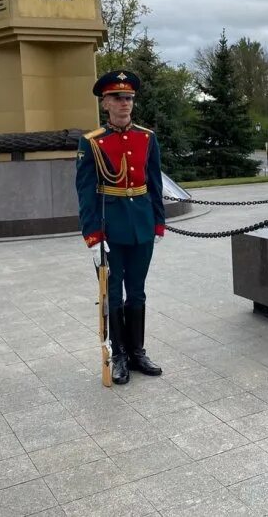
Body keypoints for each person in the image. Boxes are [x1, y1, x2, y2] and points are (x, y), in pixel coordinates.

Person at [76, 70, 164, 385]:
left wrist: (158, 220)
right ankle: (119, 355)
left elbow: (154, 181)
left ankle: (138, 352)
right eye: (117, 98)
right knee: (113, 293)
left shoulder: (147, 138)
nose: (124, 103)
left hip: (141, 223)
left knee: (137, 291)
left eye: (128, 98)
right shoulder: (92, 142)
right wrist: (91, 230)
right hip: (110, 227)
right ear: (105, 103)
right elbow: (85, 190)